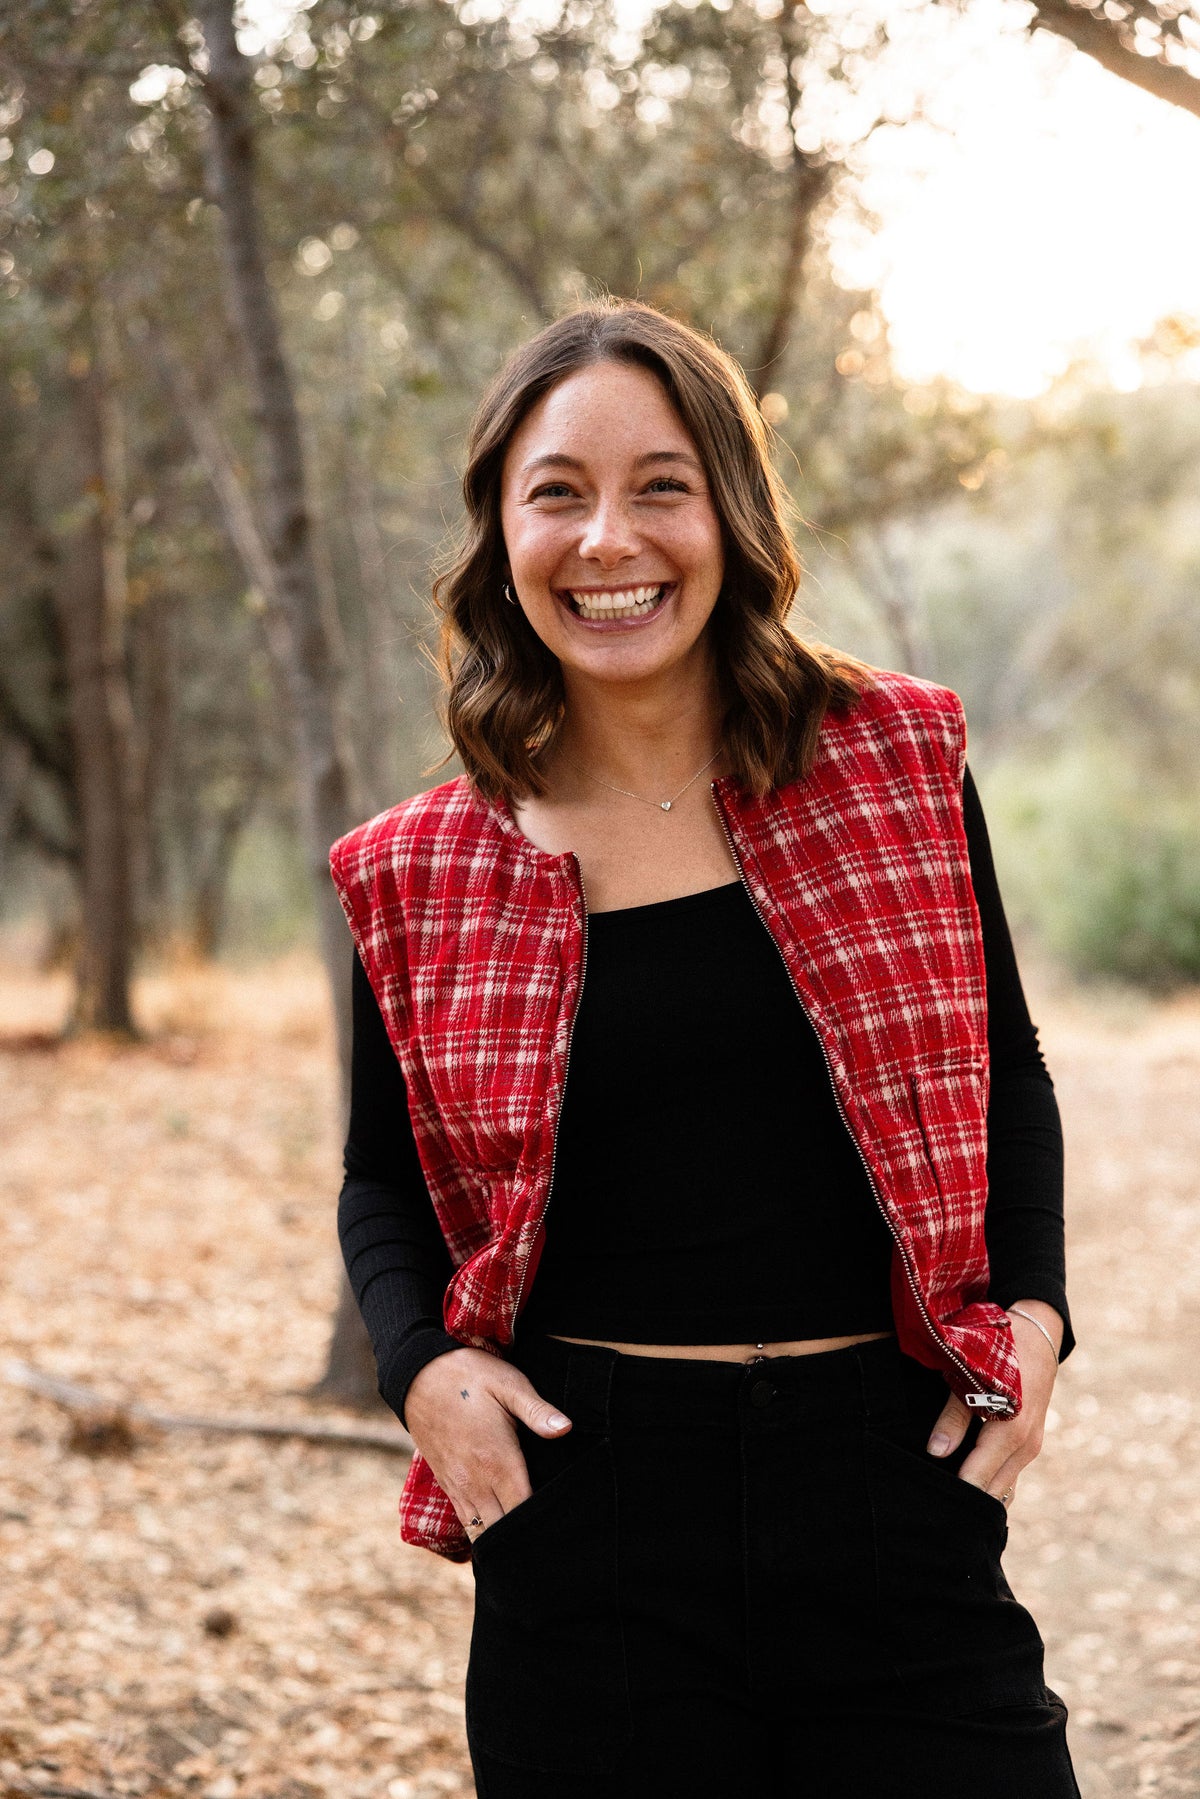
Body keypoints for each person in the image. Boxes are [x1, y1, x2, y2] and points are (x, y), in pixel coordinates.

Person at [331, 299, 1080, 1798]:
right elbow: (380, 1185)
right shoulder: (417, 868)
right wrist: (421, 1370)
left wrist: (1042, 1315)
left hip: (888, 1480)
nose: (611, 540)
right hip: (588, 1512)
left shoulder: (892, 761)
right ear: (502, 533)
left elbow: (1003, 1059)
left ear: (729, 511)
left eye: (660, 485)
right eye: (560, 492)